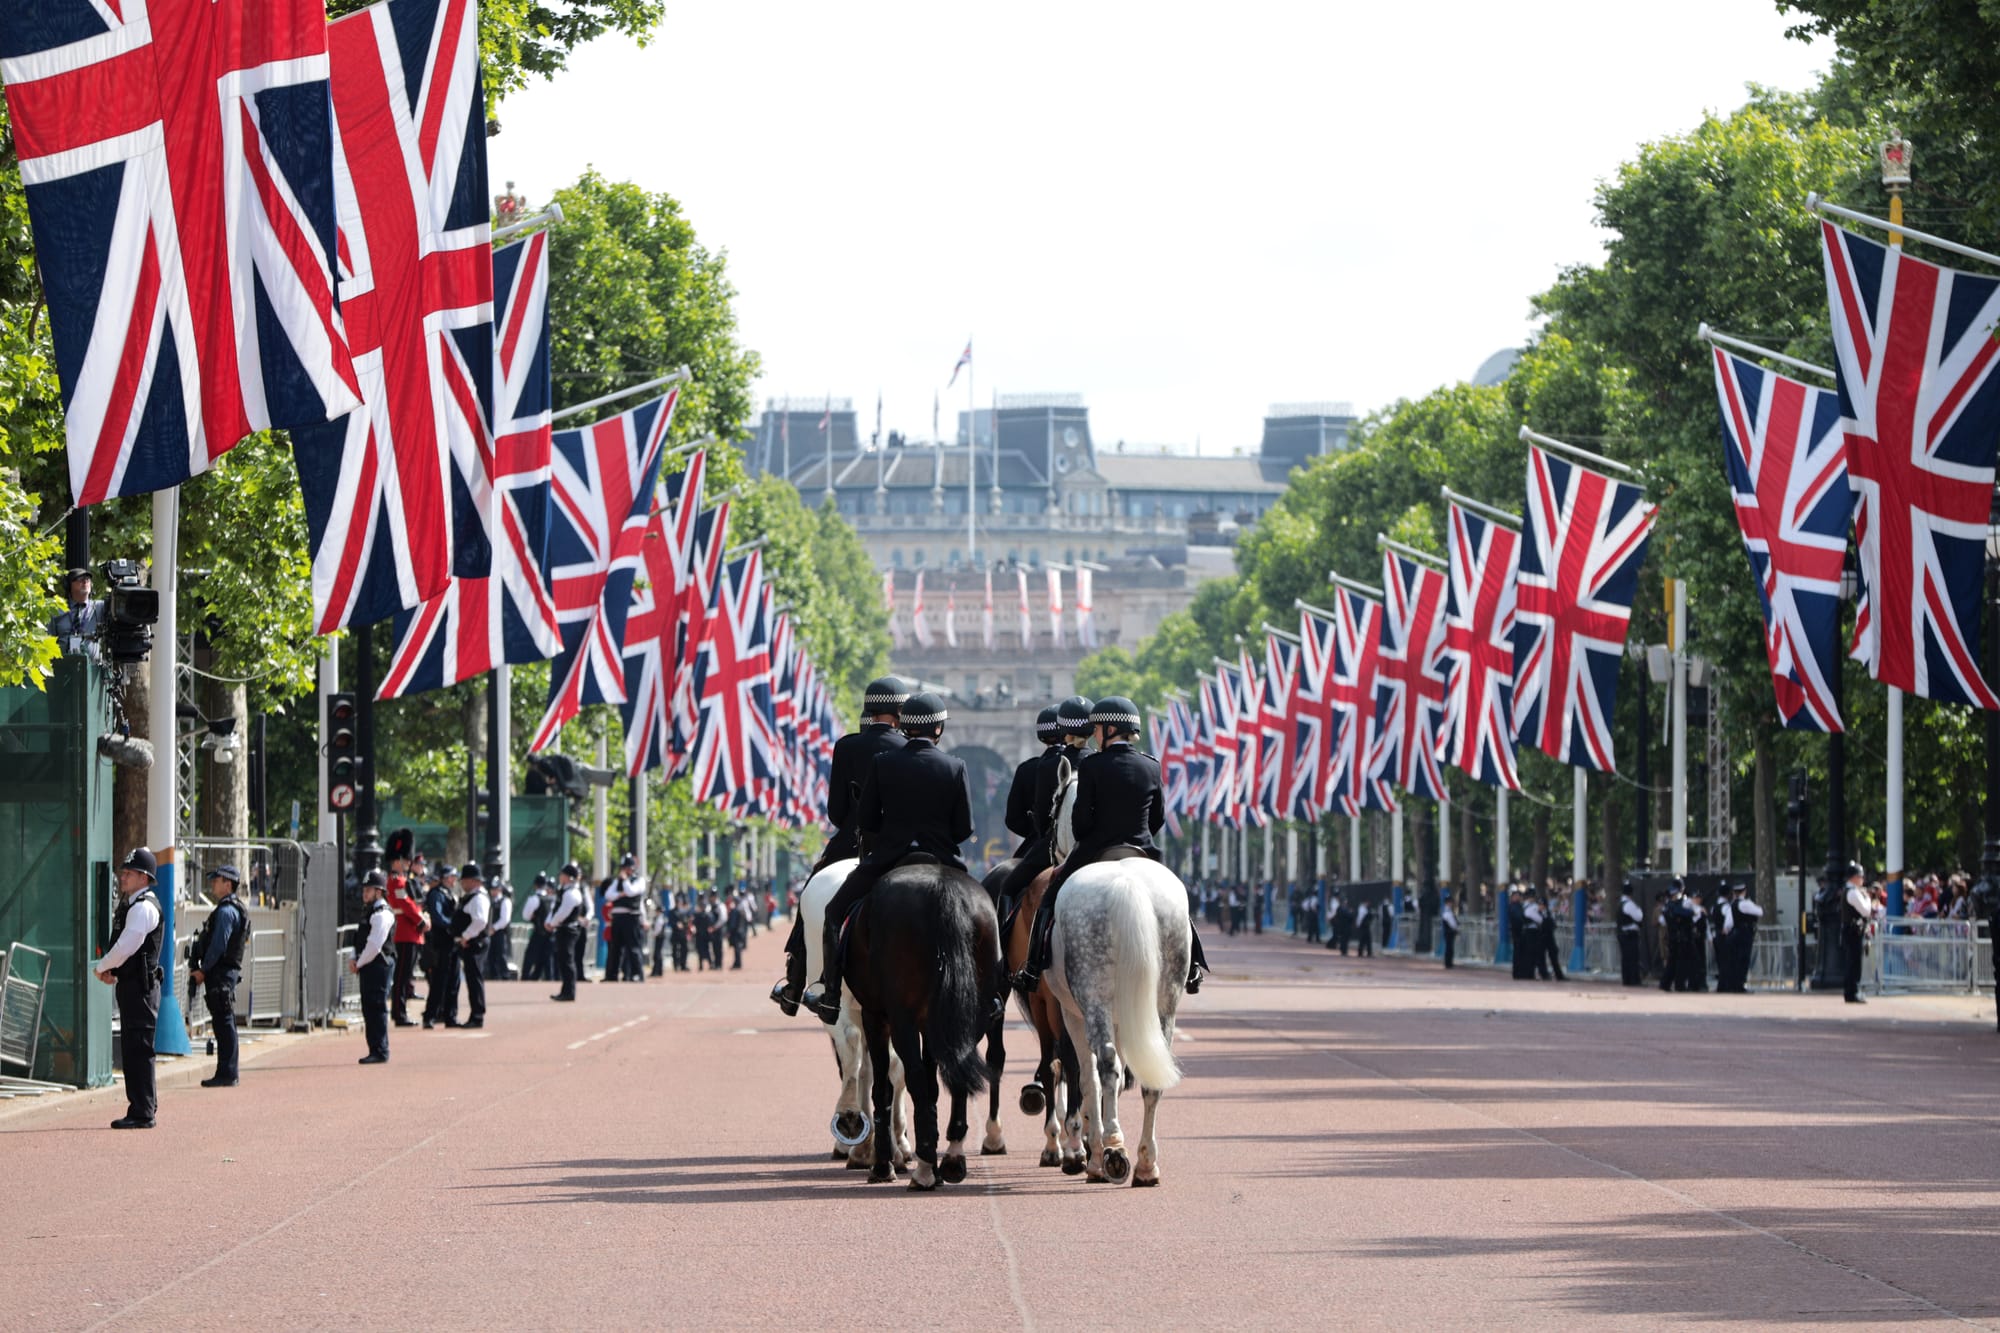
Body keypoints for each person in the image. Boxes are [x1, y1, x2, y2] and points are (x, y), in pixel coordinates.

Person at [1015, 697, 1206, 996]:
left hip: (1096, 851)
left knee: (1049, 898)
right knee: (1177, 901)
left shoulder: (1092, 765)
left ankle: (1032, 966)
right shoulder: (1151, 765)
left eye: (1098, 728)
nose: (1094, 733)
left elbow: (1081, 823)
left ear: (1110, 729)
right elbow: (1157, 818)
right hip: (1142, 850)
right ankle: (1192, 965)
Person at [804, 692, 975, 1023]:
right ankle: (990, 993)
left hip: (888, 856)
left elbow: (867, 820)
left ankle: (832, 994)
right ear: (938, 729)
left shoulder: (883, 763)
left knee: (834, 912)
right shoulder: (955, 766)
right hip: (940, 858)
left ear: (905, 725)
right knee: (983, 913)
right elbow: (964, 828)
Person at [770, 677, 909, 1013]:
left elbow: (836, 812)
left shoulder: (847, 747)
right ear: (900, 711)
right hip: (901, 845)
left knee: (811, 897)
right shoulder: (907, 747)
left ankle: (795, 982)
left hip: (851, 842)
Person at [95, 848, 165, 1129]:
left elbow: (126, 946)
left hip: (141, 989)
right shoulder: (134, 905)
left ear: (144, 877)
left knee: (139, 1049)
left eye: (129, 873)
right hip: (134, 987)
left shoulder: (143, 907)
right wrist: (112, 970)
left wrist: (102, 967)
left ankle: (142, 1111)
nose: (123, 877)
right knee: (134, 1047)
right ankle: (142, 1106)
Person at [993, 705, 1065, 931]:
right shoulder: (1089, 761)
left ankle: (1003, 939)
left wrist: (1035, 832)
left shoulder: (1029, 768)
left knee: (1008, 886)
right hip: (1087, 842)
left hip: (1043, 844)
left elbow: (1013, 819)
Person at [189, 864, 248, 1087]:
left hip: (221, 973)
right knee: (223, 1021)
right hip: (223, 972)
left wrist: (203, 970)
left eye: (217, 880)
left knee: (224, 1022)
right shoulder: (229, 909)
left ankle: (227, 1073)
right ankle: (226, 1071)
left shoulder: (226, 911)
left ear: (228, 884)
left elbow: (218, 945)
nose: (213, 884)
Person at [350, 870, 395, 1063]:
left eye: (368, 890)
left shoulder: (382, 914)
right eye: (364, 890)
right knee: (369, 1008)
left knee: (377, 1007)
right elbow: (359, 939)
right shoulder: (369, 911)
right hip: (368, 965)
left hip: (378, 966)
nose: (364, 893)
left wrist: (358, 963)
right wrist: (354, 958)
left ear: (379, 892)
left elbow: (375, 945)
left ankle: (380, 1050)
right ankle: (374, 1049)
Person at [385, 831, 426, 1024]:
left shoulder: (401, 880)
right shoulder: (396, 881)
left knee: (405, 976)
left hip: (410, 931)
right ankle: (399, 1013)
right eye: (406, 860)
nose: (409, 863)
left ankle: (400, 1011)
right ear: (398, 860)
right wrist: (420, 920)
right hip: (404, 932)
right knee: (401, 976)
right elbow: (406, 905)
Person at [451, 864, 491, 1027]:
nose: (462, 884)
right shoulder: (472, 897)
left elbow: (480, 921)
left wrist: (465, 936)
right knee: (472, 979)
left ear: (473, 881)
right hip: (471, 942)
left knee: (474, 979)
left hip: (475, 943)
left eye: (464, 881)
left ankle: (477, 1016)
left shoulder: (478, 898)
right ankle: (475, 1014)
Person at [422, 864, 460, 1028]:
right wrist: (454, 926)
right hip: (441, 942)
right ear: (446, 878)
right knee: (439, 980)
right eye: (452, 877)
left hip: (452, 942)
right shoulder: (436, 894)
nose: (454, 880)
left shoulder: (449, 893)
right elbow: (437, 917)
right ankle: (430, 1015)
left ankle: (450, 1016)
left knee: (454, 980)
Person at [546, 863, 586, 1001]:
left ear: (569, 877)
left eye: (563, 874)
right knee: (563, 960)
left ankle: (569, 992)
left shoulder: (571, 893)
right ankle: (565, 990)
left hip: (569, 929)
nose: (560, 876)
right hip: (562, 928)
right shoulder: (563, 891)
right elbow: (555, 909)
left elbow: (563, 912)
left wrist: (552, 923)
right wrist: (550, 921)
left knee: (567, 960)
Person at [47, 567, 105, 656]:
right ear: (68, 585)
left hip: (93, 664)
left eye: (87, 579)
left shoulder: (99, 607)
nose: (85, 582)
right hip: (63, 663)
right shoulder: (56, 610)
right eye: (80, 579)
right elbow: (48, 641)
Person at [1841, 861, 1870, 1004]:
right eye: (1861, 876)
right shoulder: (1853, 892)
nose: (1862, 879)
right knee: (1854, 963)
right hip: (1854, 931)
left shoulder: (1848, 890)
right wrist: (1867, 898)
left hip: (1850, 930)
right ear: (1854, 877)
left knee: (1851, 962)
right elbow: (1866, 911)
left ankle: (1850, 992)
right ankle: (1853, 992)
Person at [520, 874, 555, 982]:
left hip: (538, 932)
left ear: (535, 885)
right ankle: (549, 980)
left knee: (530, 957)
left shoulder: (534, 899)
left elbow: (525, 916)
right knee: (548, 960)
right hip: (550, 934)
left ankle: (525, 979)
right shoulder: (552, 899)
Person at [484, 876, 515, 981]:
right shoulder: (489, 901)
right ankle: (493, 976)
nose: (493, 891)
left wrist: (493, 928)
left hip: (501, 933)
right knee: (491, 956)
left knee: (501, 955)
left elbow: (505, 919)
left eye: (496, 889)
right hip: (490, 932)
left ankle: (505, 976)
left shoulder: (505, 901)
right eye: (492, 889)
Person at [1616, 881, 1644, 986]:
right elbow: (1639, 917)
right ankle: (1634, 980)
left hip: (1622, 933)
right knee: (1633, 958)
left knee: (1626, 958)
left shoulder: (1620, 903)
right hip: (1630, 935)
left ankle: (1626, 980)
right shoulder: (1629, 904)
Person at [1439, 892, 1459, 968]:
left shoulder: (1448, 910)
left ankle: (1449, 963)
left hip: (1449, 931)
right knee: (1449, 948)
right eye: (1450, 902)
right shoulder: (1447, 911)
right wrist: (1455, 928)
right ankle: (1448, 963)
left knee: (1450, 948)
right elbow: (1451, 922)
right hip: (1449, 931)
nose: (1451, 904)